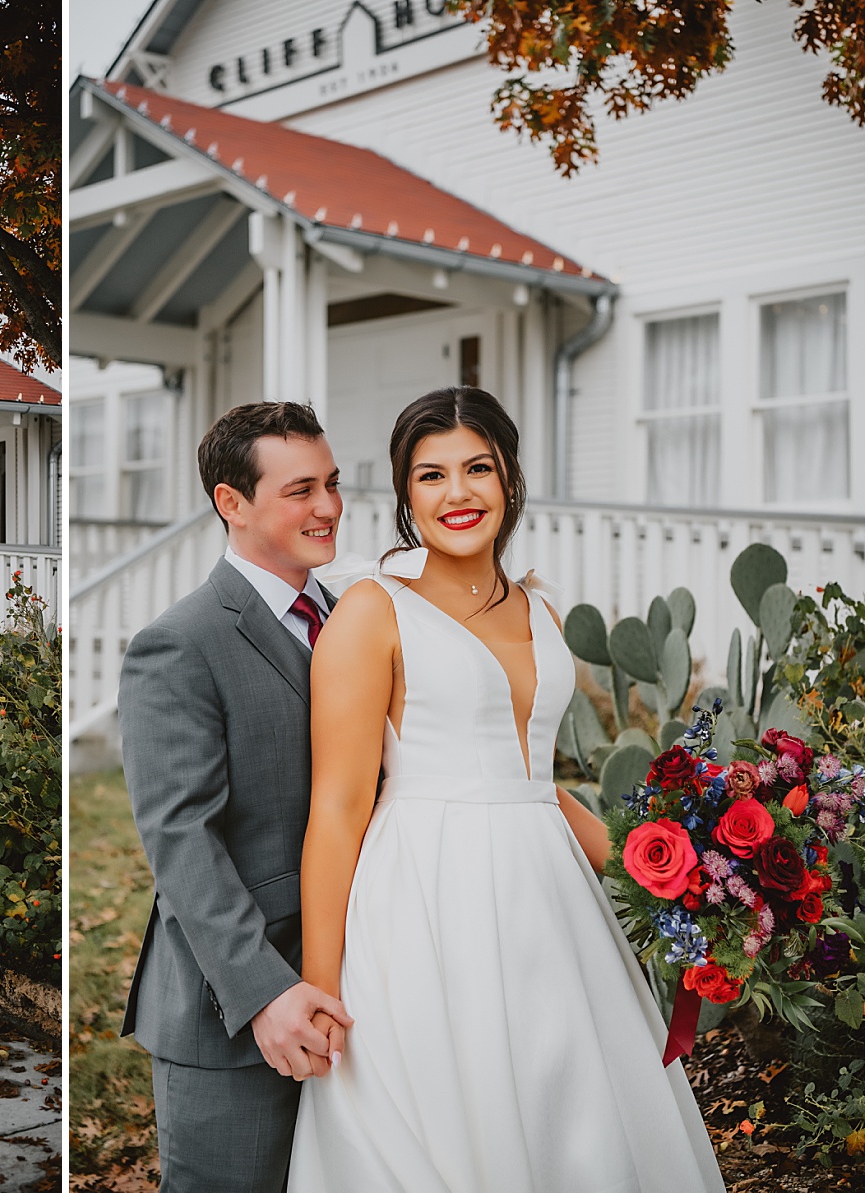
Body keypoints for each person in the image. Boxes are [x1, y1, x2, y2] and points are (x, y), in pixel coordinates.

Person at [288, 387, 722, 1190]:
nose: (459, 493)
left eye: (478, 467)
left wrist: (677, 884)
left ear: (511, 479)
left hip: (548, 899)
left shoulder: (541, 607)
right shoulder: (372, 611)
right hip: (425, 890)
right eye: (431, 475)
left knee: (570, 1102)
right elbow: (338, 805)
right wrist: (320, 983)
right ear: (406, 495)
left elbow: (537, 782)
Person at [117, 401, 355, 1192]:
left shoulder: (353, 615)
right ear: (232, 501)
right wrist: (265, 992)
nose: (327, 507)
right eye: (300, 490)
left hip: (363, 980)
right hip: (238, 1008)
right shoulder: (180, 643)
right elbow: (180, 835)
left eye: (331, 483)